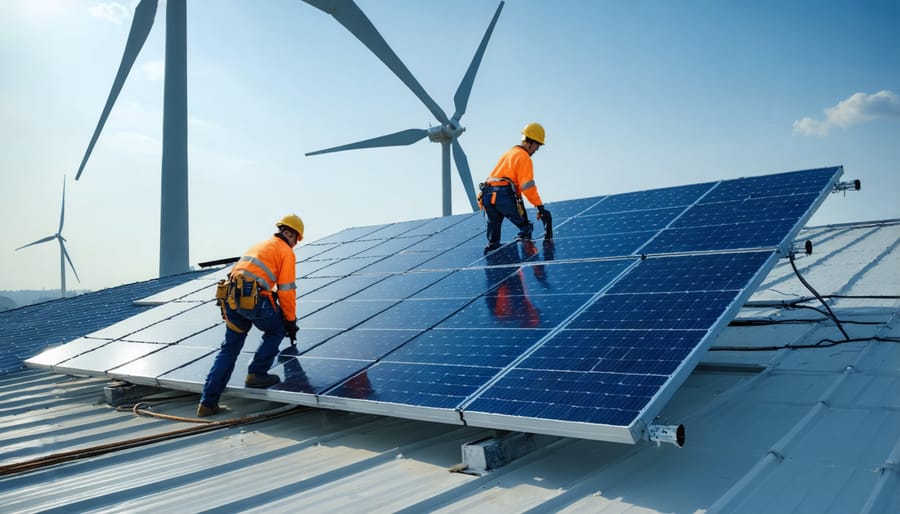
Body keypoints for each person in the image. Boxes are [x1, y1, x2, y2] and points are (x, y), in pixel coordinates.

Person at [197, 214, 304, 417]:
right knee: (277, 329)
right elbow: (286, 291)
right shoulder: (285, 252)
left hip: (231, 300)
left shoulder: (259, 245)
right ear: (289, 233)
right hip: (254, 300)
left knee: (229, 349)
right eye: (296, 240)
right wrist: (290, 321)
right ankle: (257, 373)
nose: (295, 244)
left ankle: (207, 403)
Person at [480, 122, 552, 253]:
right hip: (503, 196)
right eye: (538, 146)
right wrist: (540, 207)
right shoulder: (524, 157)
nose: (537, 150)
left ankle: (494, 257)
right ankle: (529, 259)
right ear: (531, 143)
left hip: (487, 196)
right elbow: (527, 185)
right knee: (525, 228)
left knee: (493, 238)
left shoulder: (508, 153)